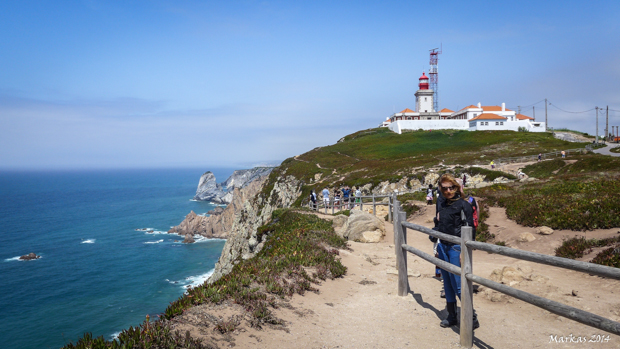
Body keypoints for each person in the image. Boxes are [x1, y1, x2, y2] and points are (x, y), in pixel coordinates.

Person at [431, 173, 480, 329]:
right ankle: (452, 316)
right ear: (440, 189)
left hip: (456, 247)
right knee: (447, 284)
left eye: (451, 187)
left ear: (457, 187)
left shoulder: (463, 205)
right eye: (444, 188)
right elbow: (440, 224)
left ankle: (471, 317)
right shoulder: (442, 204)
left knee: (458, 284)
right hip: (443, 246)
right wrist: (435, 240)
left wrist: (463, 251)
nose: (448, 191)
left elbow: (470, 229)